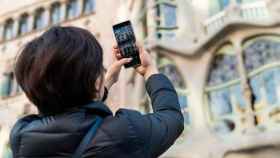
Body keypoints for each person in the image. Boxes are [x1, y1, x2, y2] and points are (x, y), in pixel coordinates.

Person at [10, 26, 184, 158]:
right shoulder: (123, 133)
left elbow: (72, 114)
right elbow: (171, 118)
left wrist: (104, 84)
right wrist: (149, 70)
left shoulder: (22, 136)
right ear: (94, 80)